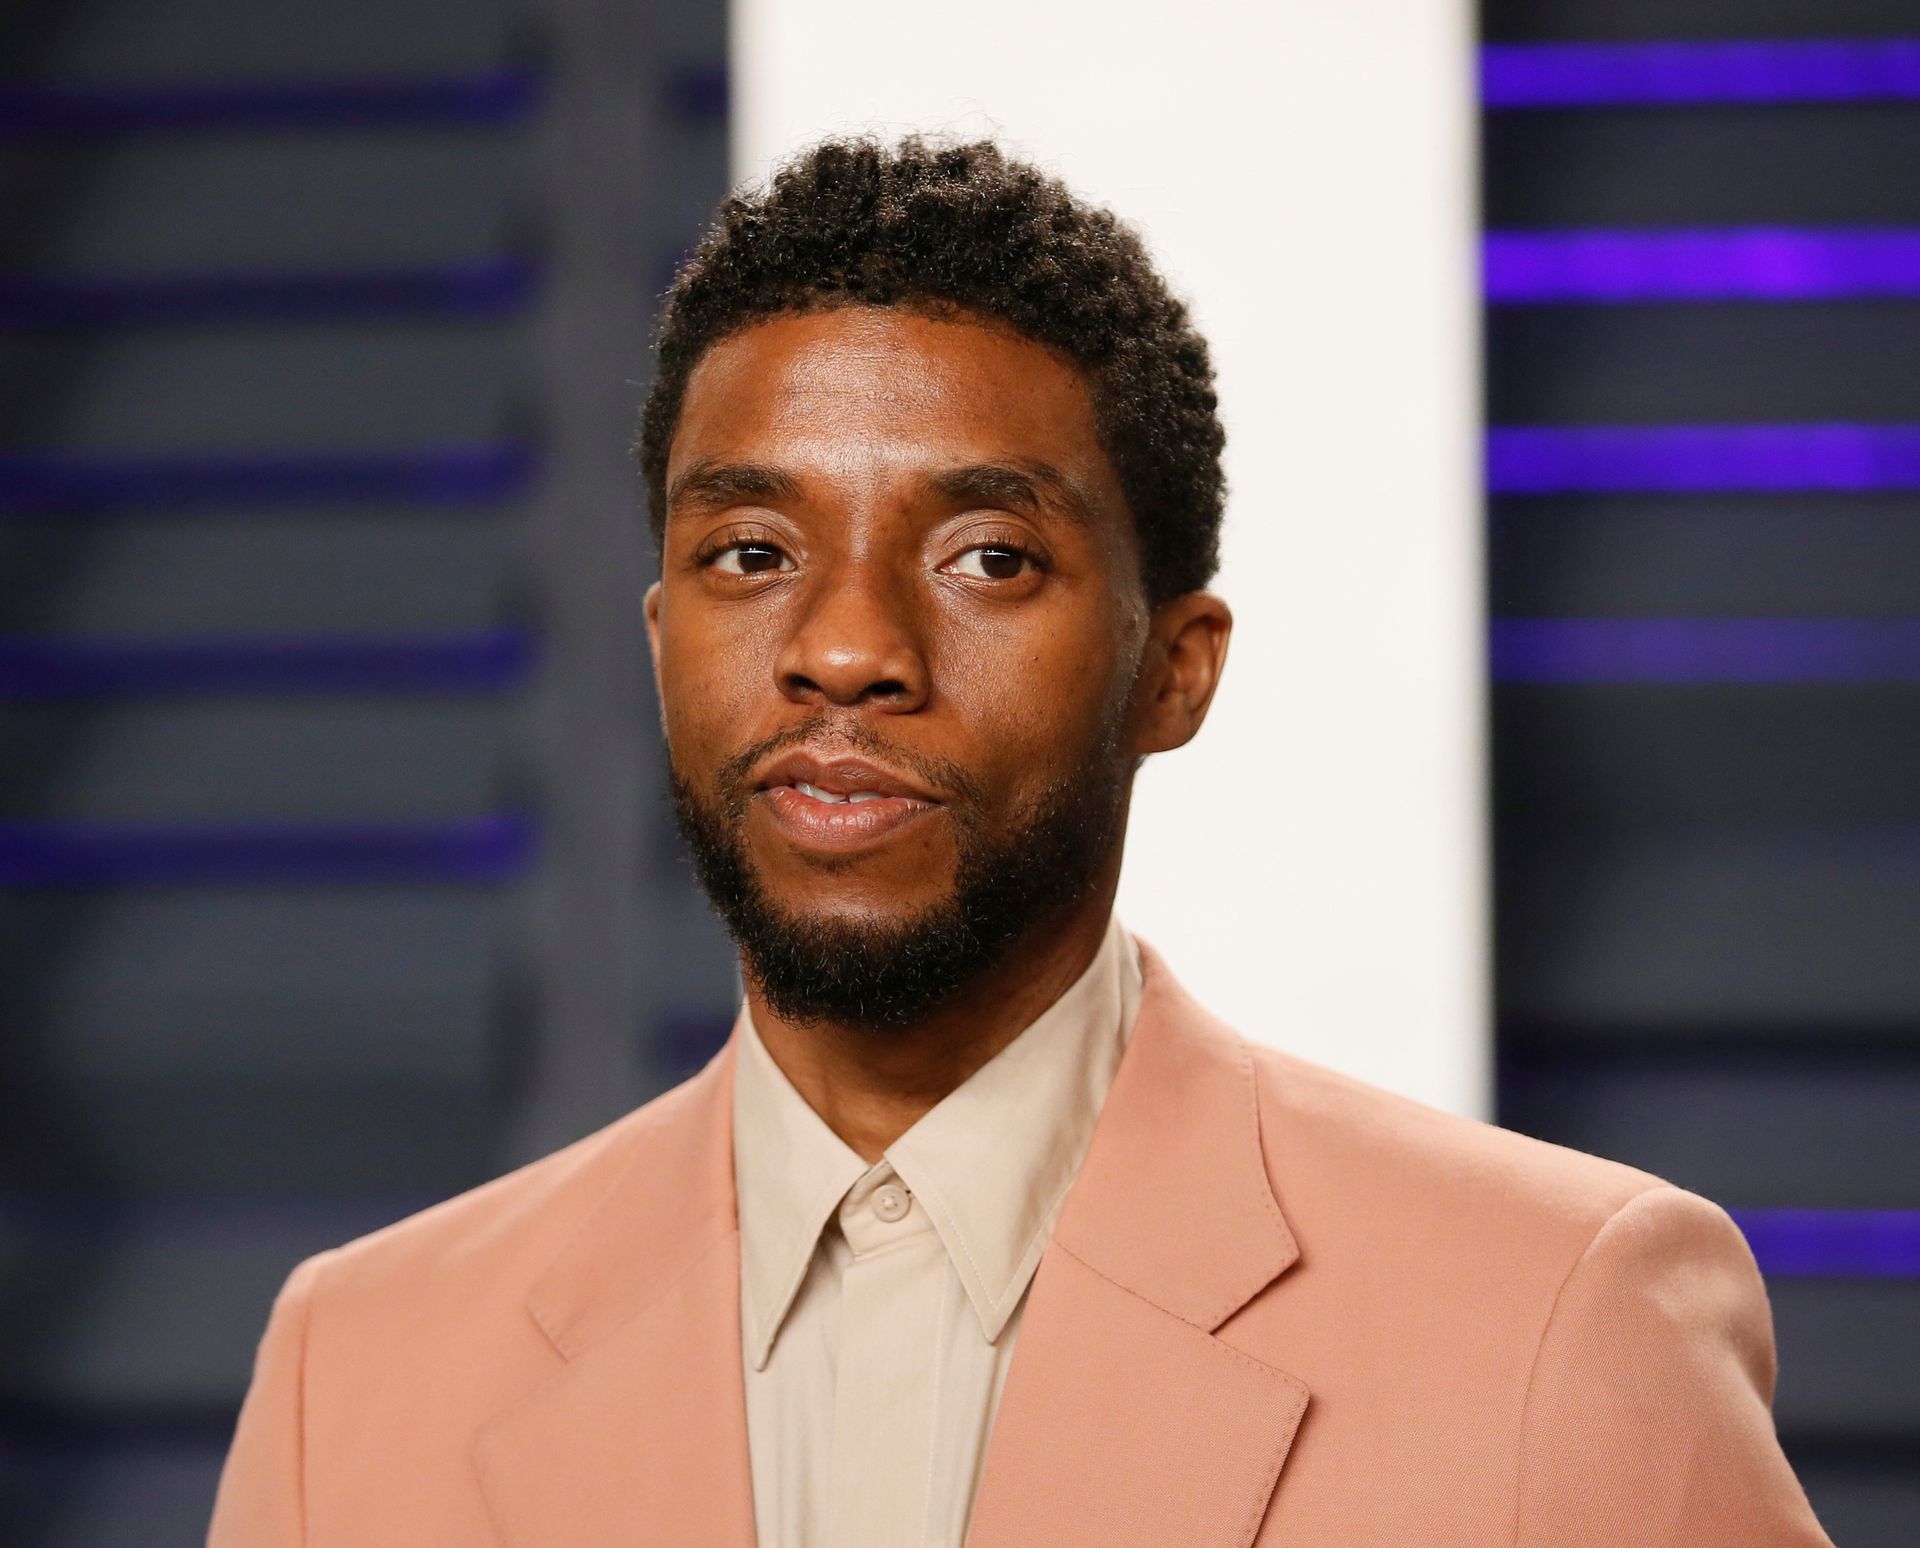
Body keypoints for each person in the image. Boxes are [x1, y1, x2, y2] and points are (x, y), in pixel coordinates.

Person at [209, 138, 1832, 1547]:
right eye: (751, 548)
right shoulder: (360, 1372)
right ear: (658, 639)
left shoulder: (1556, 1324)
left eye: (987, 557)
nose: (845, 646)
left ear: (1172, 670)